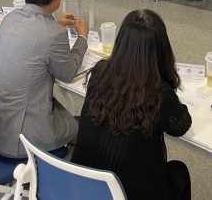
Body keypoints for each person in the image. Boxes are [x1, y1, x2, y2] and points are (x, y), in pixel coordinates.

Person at [72, 10, 192, 200]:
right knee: (179, 171)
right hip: (128, 193)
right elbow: (182, 125)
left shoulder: (100, 72)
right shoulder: (158, 92)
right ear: (162, 49)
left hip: (84, 186)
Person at [0, 0, 89, 158]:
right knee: (78, 125)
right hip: (21, 135)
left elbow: (34, 34)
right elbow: (68, 73)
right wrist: (82, 37)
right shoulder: (54, 34)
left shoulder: (10, 18)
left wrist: (55, 24)